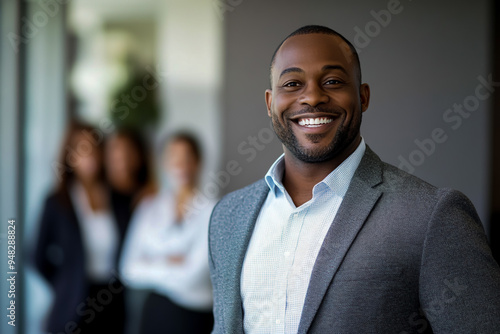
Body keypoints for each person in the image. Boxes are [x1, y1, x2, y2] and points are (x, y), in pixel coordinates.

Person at [208, 25, 500, 333]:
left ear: (363, 96)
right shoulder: (228, 217)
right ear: (270, 104)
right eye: (292, 83)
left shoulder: (431, 216)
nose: (312, 97)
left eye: (332, 81)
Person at [34, 121, 127, 334]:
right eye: (82, 149)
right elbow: (36, 255)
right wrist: (65, 283)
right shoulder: (57, 202)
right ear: (69, 156)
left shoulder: (118, 199)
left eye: (94, 148)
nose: (90, 156)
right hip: (73, 303)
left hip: (112, 302)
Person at [120, 132, 215, 334]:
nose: (181, 164)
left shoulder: (212, 211)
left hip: (193, 317)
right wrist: (171, 261)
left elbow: (192, 275)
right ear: (163, 162)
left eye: (187, 157)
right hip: (155, 312)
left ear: (198, 162)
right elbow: (128, 269)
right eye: (174, 156)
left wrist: (152, 260)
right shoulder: (148, 207)